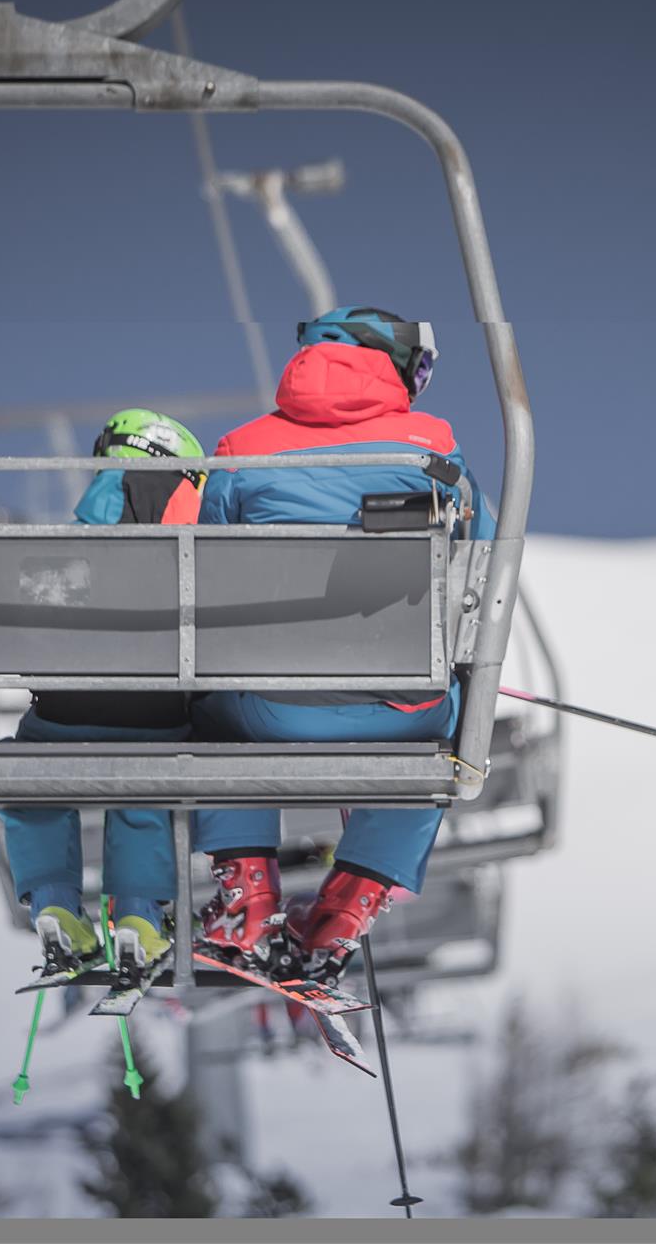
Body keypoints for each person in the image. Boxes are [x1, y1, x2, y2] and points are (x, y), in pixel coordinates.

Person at [190, 306, 495, 982]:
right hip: (397, 706)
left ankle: (247, 893)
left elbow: (200, 566)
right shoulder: (432, 445)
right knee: (440, 734)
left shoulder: (241, 446)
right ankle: (345, 909)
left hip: (266, 707)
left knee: (207, 711)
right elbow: (484, 560)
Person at [0, 409, 205, 976]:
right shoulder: (199, 541)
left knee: (27, 767)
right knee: (147, 777)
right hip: (159, 715)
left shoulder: (60, 548)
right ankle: (138, 915)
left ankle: (55, 906)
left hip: (63, 717)